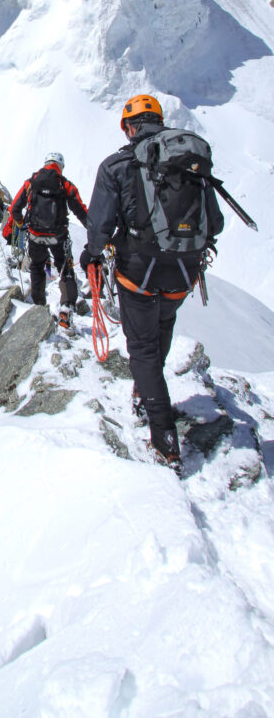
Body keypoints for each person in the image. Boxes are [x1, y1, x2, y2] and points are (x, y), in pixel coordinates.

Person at [80, 94, 224, 466]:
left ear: (130, 127)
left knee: (141, 348)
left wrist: (92, 255)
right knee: (163, 325)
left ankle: (163, 436)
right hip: (184, 272)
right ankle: (147, 392)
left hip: (137, 273)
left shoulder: (117, 166)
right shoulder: (191, 163)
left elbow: (100, 226)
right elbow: (216, 223)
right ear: (159, 121)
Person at [2, 152, 88, 331]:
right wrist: (96, 231)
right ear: (60, 166)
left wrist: (20, 223)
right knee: (65, 269)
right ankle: (66, 309)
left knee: (37, 268)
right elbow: (81, 211)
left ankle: (39, 306)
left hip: (35, 236)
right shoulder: (65, 185)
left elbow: (15, 208)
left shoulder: (31, 182)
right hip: (58, 237)